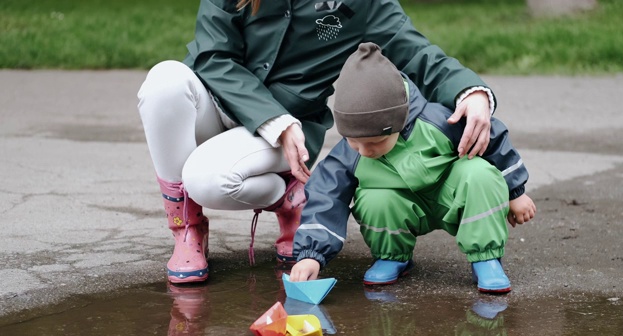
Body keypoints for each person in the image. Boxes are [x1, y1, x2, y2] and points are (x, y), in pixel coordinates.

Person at [137, 0, 498, 284]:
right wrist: (269, 119)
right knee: (164, 81)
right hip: (219, 103)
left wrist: (471, 91)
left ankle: (289, 197)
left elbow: (415, 51)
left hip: (291, 130)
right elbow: (211, 55)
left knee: (206, 181)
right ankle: (187, 228)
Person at [289, 43, 536, 294]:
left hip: (452, 196)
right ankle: (393, 255)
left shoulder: (438, 121)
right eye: (354, 142)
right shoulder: (349, 153)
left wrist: (515, 191)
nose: (365, 151)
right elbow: (325, 194)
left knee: (480, 174)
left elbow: (492, 137)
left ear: (398, 121)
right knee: (374, 197)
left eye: (375, 142)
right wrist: (312, 253)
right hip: (402, 207)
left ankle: (486, 258)